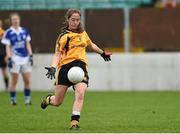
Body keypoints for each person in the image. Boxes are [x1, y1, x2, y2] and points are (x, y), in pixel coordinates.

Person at [41, 9, 112, 130]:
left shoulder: (83, 33)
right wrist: (53, 67)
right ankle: (48, 99)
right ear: (68, 20)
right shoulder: (63, 36)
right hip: (65, 68)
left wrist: (102, 53)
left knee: (80, 93)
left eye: (77, 20)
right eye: (73, 19)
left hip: (80, 67)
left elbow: (91, 44)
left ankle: (74, 122)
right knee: (57, 102)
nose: (75, 22)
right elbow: (58, 54)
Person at [1, 13, 33, 105]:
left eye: (17, 19)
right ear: (11, 21)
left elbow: (27, 43)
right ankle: (13, 100)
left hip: (25, 58)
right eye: (13, 19)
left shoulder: (24, 30)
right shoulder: (8, 32)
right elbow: (7, 46)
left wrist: (31, 55)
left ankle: (27, 100)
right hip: (15, 59)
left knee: (27, 80)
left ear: (19, 20)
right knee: (14, 80)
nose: (15, 21)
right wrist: (9, 58)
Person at [0, 19, 9, 90]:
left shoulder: (4, 33)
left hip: (3, 55)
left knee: (4, 71)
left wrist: (7, 55)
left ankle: (7, 86)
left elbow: (7, 45)